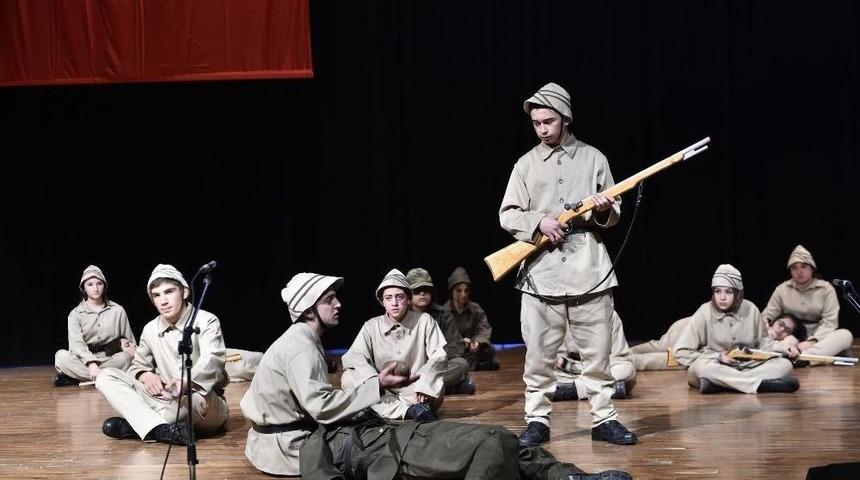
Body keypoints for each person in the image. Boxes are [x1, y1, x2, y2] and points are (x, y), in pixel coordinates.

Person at [241, 271, 633, 480]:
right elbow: (324, 405)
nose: (339, 304)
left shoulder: (304, 341)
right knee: (478, 442)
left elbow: (437, 359)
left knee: (481, 439)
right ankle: (558, 475)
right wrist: (377, 385)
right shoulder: (300, 346)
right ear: (309, 309)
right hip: (304, 445)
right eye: (329, 300)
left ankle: (561, 475)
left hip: (356, 422)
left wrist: (405, 393)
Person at [498, 82, 636, 446]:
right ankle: (537, 421)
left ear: (566, 119)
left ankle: (604, 418)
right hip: (541, 274)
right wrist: (538, 222)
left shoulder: (594, 159)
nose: (542, 128)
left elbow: (615, 214)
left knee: (598, 355)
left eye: (549, 121)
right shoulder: (526, 164)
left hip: (588, 269)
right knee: (539, 357)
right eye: (537, 123)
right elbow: (508, 214)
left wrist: (604, 210)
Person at [95, 264, 229, 445]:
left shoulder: (206, 320)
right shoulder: (150, 329)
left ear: (184, 292)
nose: (163, 301)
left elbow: (213, 359)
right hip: (165, 399)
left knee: (183, 408)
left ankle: (139, 426)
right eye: (157, 295)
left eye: (169, 292)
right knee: (105, 376)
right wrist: (146, 375)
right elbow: (137, 366)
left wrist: (186, 382)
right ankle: (161, 430)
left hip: (202, 400)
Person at [674, 264, 800, 394]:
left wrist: (784, 348)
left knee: (785, 365)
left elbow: (764, 344)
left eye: (728, 292)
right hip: (717, 367)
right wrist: (717, 356)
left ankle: (723, 385)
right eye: (717, 291)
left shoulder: (751, 309)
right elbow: (681, 351)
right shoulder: (704, 312)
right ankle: (759, 385)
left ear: (738, 293)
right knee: (701, 368)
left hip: (748, 367)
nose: (722, 297)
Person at [340, 269, 448, 421]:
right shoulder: (371, 326)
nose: (394, 303)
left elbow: (439, 355)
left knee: (437, 384)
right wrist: (374, 382)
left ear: (409, 299)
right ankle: (408, 412)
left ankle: (380, 411)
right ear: (382, 302)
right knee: (348, 378)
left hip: (415, 391)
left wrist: (425, 383)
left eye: (399, 297)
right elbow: (354, 357)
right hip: (384, 392)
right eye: (388, 298)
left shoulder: (425, 321)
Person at [761, 245, 853, 358]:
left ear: (812, 268)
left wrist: (812, 341)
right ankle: (789, 352)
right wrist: (765, 321)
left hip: (819, 336)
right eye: (794, 268)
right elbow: (769, 313)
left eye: (803, 266)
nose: (799, 271)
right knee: (770, 336)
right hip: (791, 334)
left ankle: (804, 357)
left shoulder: (825, 288)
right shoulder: (782, 289)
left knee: (845, 335)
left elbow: (830, 322)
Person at [632, 312, 807, 371]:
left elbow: (779, 348)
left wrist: (790, 343)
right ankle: (618, 354)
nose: (781, 329)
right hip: (695, 330)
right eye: (781, 324)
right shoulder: (757, 319)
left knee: (656, 360)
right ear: (774, 320)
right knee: (659, 345)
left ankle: (618, 361)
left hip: (703, 353)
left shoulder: (772, 346)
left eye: (787, 331)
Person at [54, 265, 136, 386]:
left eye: (99, 284)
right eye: (90, 284)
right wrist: (91, 363)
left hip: (111, 359)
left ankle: (77, 379)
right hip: (84, 362)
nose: (96, 288)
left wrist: (132, 351)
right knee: (61, 357)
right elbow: (76, 344)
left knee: (126, 358)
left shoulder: (118, 310)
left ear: (104, 286)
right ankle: (107, 377)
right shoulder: (75, 314)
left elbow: (129, 341)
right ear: (84, 288)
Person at [406, 267, 475, 394]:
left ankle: (418, 386)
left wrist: (433, 361)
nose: (422, 293)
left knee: (462, 365)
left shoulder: (443, 314)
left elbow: (455, 346)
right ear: (409, 294)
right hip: (411, 367)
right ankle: (452, 387)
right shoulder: (402, 315)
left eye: (426, 290)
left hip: (436, 366)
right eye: (417, 290)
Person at [556, 311, 636, 400]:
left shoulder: (610, 314)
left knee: (628, 369)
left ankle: (575, 391)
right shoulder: (560, 315)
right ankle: (612, 390)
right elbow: (559, 359)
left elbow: (620, 358)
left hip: (602, 370)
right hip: (573, 373)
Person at [444, 267, 499, 371]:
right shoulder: (444, 311)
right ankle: (474, 366)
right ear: (452, 291)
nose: (463, 294)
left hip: (472, 349)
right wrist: (461, 342)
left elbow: (484, 328)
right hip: (456, 349)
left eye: (466, 290)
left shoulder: (475, 308)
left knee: (489, 349)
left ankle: (469, 365)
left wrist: (477, 342)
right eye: (459, 290)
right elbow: (443, 336)